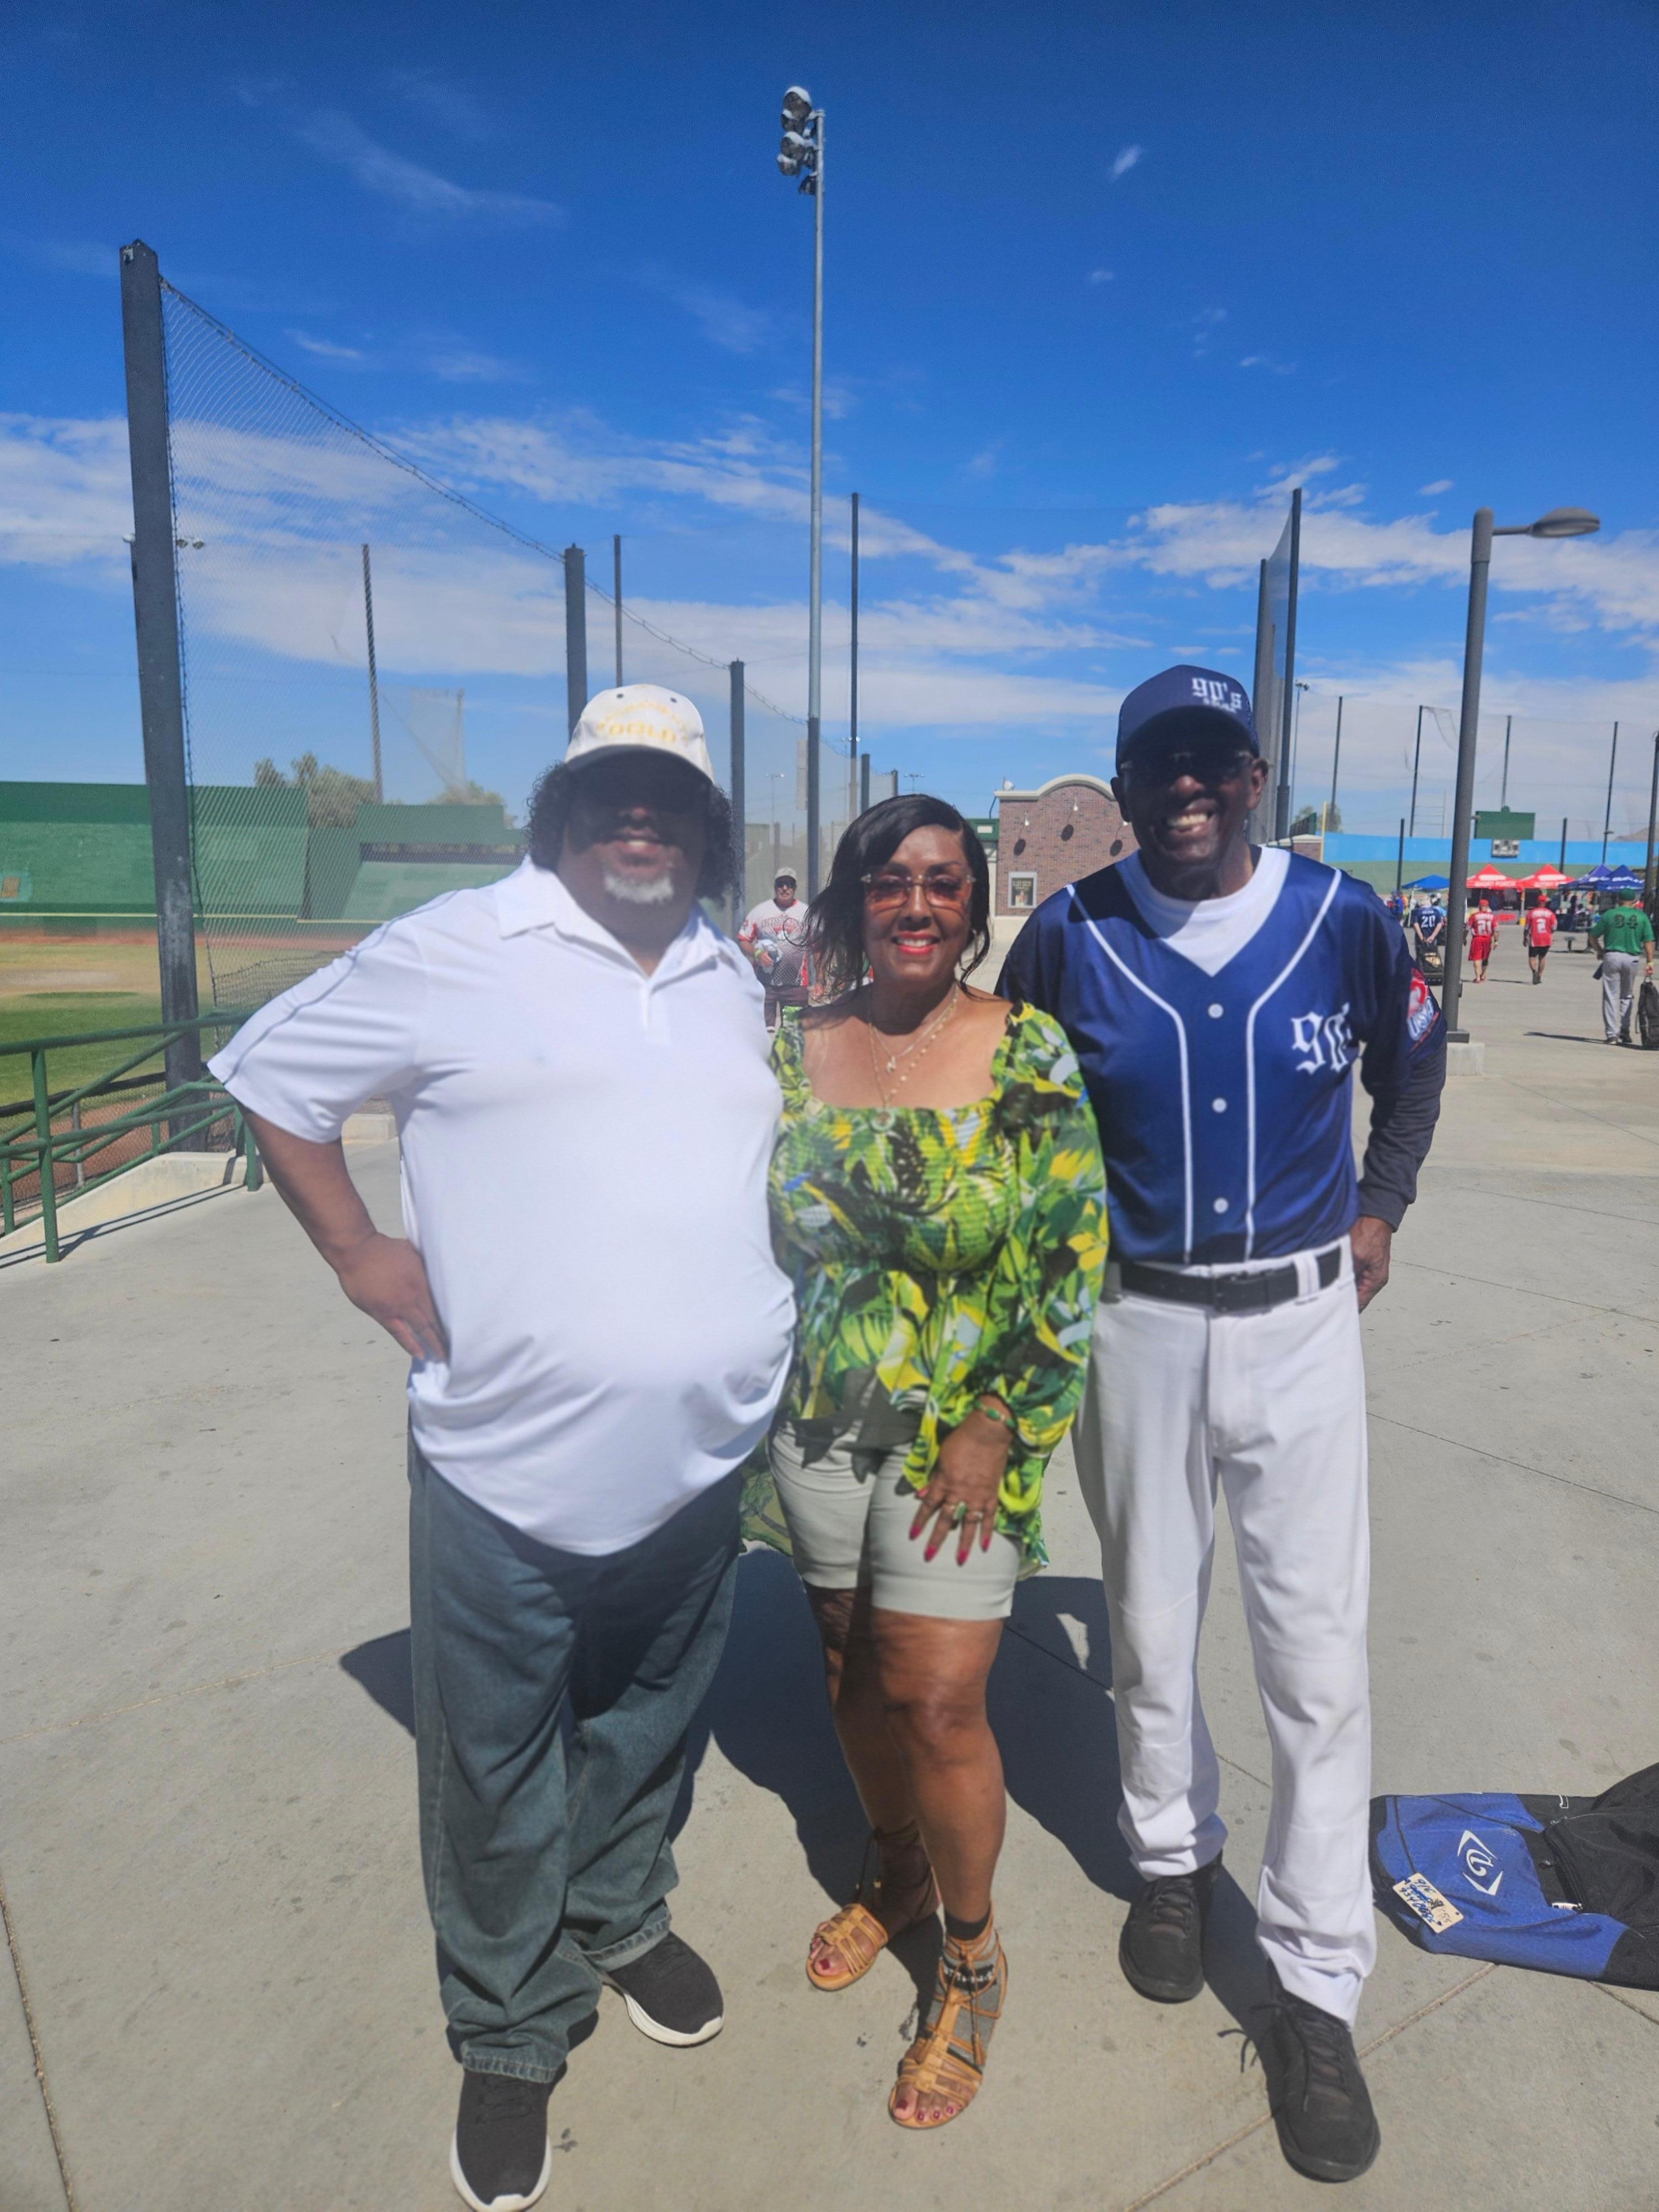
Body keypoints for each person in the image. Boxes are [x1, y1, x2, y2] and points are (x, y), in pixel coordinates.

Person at [209, 685, 795, 2212]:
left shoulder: (734, 971)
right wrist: (357, 1255)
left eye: (666, 795)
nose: (638, 817)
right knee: (493, 1758)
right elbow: (276, 1082)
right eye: (610, 791)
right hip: (504, 1467)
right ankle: (512, 2024)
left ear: (708, 823)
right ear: (564, 810)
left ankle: (617, 1913)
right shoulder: (465, 945)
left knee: (651, 1722)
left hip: (697, 1461)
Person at [1000, 664, 1446, 2187]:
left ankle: (1318, 1983)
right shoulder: (1071, 932)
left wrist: (1381, 1208)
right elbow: (1017, 1114)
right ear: (1122, 794)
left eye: (1214, 759)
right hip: (1135, 1316)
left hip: (1305, 1318)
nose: (1189, 785)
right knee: (1146, 1625)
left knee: (1314, 1657)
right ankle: (1172, 1863)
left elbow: (1417, 1064)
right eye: (1159, 765)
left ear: (1255, 776)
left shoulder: (1347, 919)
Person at [761, 794, 1107, 2130]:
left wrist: (998, 1421)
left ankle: (968, 1954)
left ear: (974, 904)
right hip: (819, 1420)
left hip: (969, 1425)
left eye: (944, 883)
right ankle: (893, 1864)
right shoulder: (791, 1051)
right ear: (853, 899)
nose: (919, 903)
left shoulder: (1026, 1051)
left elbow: (1073, 1250)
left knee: (940, 1699)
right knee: (849, 1661)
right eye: (893, 880)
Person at [738, 868, 809, 1027]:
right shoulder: (761, 911)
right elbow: (743, 939)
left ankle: (788, 1052)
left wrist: (821, 981)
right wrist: (757, 952)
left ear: (795, 888)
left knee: (792, 1036)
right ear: (775, 887)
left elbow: (818, 946)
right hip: (765, 987)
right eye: (781, 884)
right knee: (763, 1035)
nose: (785, 888)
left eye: (789, 885)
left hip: (795, 988)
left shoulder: (805, 912)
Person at [1589, 888, 1656, 1044]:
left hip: (1612, 956)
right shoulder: (1642, 917)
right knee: (1627, 995)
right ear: (1634, 901)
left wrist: (1599, 950)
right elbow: (1648, 941)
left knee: (1610, 995)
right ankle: (1625, 1032)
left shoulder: (1609, 915)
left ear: (1619, 900)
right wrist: (1650, 961)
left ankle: (1612, 1034)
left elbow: (1593, 935)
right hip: (1632, 958)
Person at [1523, 895, 1557, 984]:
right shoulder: (1550, 914)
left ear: (1537, 902)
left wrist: (1525, 938)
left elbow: (1527, 928)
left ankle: (1534, 971)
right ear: (1545, 903)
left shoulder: (1532, 913)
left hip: (1535, 938)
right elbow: (1554, 927)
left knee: (1532, 957)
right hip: (1546, 938)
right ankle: (1539, 976)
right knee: (1542, 957)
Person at [1465, 895, 1498, 982]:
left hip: (1477, 938)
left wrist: (1464, 938)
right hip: (1488, 939)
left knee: (1477, 958)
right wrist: (1496, 941)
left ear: (1479, 907)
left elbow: (1467, 928)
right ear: (1487, 907)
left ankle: (1478, 977)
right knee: (1485, 958)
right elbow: (1496, 930)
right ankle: (1483, 975)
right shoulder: (1492, 917)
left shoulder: (1474, 916)